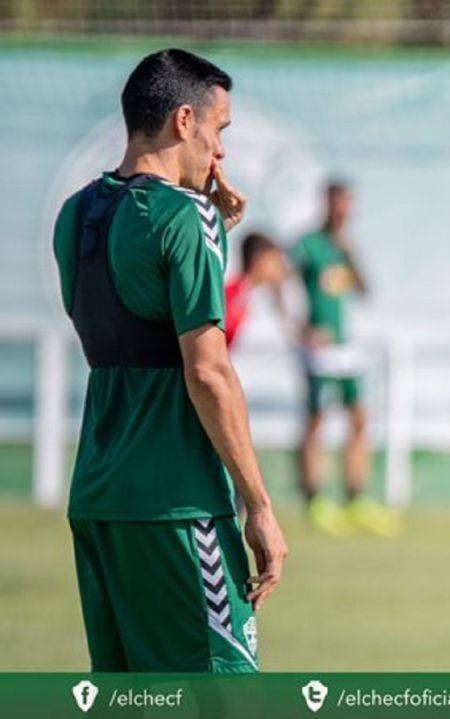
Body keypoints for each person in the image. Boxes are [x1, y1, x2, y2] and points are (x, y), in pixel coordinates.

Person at [52, 48, 287, 672]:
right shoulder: (186, 216)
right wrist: (258, 505)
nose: (221, 151)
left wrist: (214, 234)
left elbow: (134, 325)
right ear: (185, 120)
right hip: (180, 507)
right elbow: (206, 369)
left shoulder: (75, 215)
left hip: (101, 501)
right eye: (220, 129)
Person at [293, 182, 399, 537]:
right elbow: (282, 283)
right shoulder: (307, 245)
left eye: (348, 205)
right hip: (318, 350)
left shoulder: (346, 247)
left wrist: (352, 257)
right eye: (337, 204)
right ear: (326, 204)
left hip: (347, 348)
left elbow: (365, 290)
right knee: (317, 419)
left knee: (358, 418)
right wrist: (303, 328)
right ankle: (316, 497)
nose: (342, 212)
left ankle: (356, 496)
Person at [224, 231, 288, 347]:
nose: (280, 267)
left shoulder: (279, 296)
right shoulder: (232, 294)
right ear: (259, 259)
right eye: (275, 259)